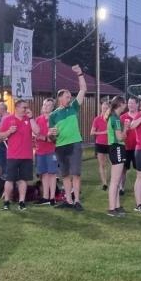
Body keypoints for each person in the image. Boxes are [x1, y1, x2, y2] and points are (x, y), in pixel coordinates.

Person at [48, 64, 87, 210]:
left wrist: (80, 74)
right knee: (64, 175)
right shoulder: (53, 115)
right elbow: (51, 137)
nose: (70, 98)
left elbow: (83, 89)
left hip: (75, 144)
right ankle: (68, 201)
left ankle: (77, 200)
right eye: (67, 96)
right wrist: (51, 135)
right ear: (60, 98)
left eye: (70, 96)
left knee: (75, 173)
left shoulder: (74, 107)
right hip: (60, 147)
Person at [0, 99, 40, 211]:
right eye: (24, 107)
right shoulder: (8, 119)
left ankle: (21, 202)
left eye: (27, 107)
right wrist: (9, 132)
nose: (26, 109)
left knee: (23, 179)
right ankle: (6, 201)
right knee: (10, 179)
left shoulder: (28, 119)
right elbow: (0, 135)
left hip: (26, 155)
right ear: (16, 108)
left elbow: (37, 131)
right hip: (13, 155)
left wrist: (31, 118)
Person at [106, 96, 128, 217]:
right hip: (117, 147)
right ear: (120, 104)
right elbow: (120, 137)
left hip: (115, 148)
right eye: (125, 103)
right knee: (115, 181)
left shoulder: (114, 117)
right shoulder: (115, 118)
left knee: (117, 180)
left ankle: (117, 206)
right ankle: (111, 208)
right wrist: (126, 129)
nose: (126, 105)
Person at [34, 98, 58, 206]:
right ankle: (45, 197)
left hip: (51, 151)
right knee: (43, 174)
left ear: (53, 107)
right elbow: (34, 134)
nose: (46, 106)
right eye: (44, 104)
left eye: (49, 105)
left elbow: (53, 138)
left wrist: (43, 137)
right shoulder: (38, 119)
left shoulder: (55, 120)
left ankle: (52, 198)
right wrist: (43, 137)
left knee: (52, 173)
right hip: (40, 150)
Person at [120, 97, 139, 196]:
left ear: (137, 104)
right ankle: (121, 188)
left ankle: (140, 188)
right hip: (126, 147)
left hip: (138, 148)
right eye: (129, 103)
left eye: (132, 103)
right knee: (123, 169)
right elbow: (119, 133)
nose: (130, 105)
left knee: (140, 169)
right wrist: (125, 129)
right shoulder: (122, 117)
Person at [90, 100, 110, 191]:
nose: (104, 109)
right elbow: (92, 132)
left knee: (112, 163)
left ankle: (113, 181)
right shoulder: (97, 119)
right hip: (100, 144)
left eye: (106, 108)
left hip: (110, 144)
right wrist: (103, 132)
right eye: (103, 108)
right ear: (101, 108)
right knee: (102, 164)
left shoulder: (111, 119)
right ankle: (104, 183)